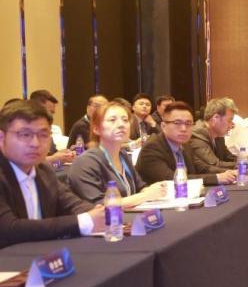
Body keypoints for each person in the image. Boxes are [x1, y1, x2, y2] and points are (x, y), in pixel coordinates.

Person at [0, 100, 104, 249]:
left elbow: (72, 204)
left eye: (43, 135)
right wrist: (84, 221)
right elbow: (8, 230)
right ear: (1, 138)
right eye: (25, 134)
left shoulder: (43, 170)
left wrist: (98, 212)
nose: (35, 143)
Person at [67, 101, 166, 206]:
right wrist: (145, 196)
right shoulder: (85, 162)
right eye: (112, 120)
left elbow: (140, 187)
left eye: (125, 120)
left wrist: (156, 190)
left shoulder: (123, 155)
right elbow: (101, 205)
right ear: (96, 129)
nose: (121, 125)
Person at [137, 101, 237, 186]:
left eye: (188, 123)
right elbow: (173, 180)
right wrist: (216, 178)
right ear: (163, 126)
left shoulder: (185, 144)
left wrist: (229, 173)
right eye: (177, 123)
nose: (183, 129)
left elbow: (203, 168)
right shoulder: (152, 147)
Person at [188, 97, 245, 173]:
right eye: (229, 120)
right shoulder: (197, 136)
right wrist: (247, 165)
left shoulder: (218, 135)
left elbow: (229, 157)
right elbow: (215, 165)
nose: (232, 125)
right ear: (215, 119)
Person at [29, 89, 75, 165]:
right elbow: (28, 163)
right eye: (48, 112)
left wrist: (64, 154)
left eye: (52, 113)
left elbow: (52, 153)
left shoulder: (47, 129)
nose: (51, 117)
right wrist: (54, 158)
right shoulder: (27, 132)